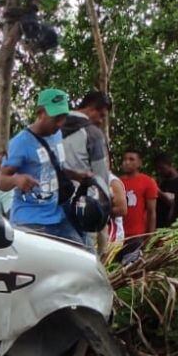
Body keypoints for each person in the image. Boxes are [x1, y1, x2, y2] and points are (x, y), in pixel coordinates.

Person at [0, 88, 91, 244]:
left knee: (84, 253)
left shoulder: (57, 135)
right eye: (56, 118)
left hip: (57, 216)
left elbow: (54, 168)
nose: (60, 123)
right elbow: (1, 181)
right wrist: (16, 180)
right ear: (40, 113)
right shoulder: (20, 143)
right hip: (30, 221)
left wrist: (77, 175)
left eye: (63, 117)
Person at [60, 91, 127, 249]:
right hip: (83, 205)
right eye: (101, 115)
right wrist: (104, 206)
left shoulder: (54, 127)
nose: (101, 121)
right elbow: (101, 177)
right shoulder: (93, 133)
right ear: (91, 109)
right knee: (85, 254)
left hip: (52, 204)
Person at [118, 148, 158, 241]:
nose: (127, 162)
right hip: (118, 234)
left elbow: (151, 212)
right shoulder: (117, 182)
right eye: (125, 159)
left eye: (131, 159)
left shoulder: (148, 182)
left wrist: (150, 238)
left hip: (137, 235)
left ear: (139, 163)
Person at [153, 152, 178, 228]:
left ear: (171, 165)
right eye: (157, 169)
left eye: (161, 168)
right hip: (159, 225)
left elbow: (175, 204)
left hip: (171, 226)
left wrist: (159, 192)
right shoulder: (163, 183)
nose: (159, 171)